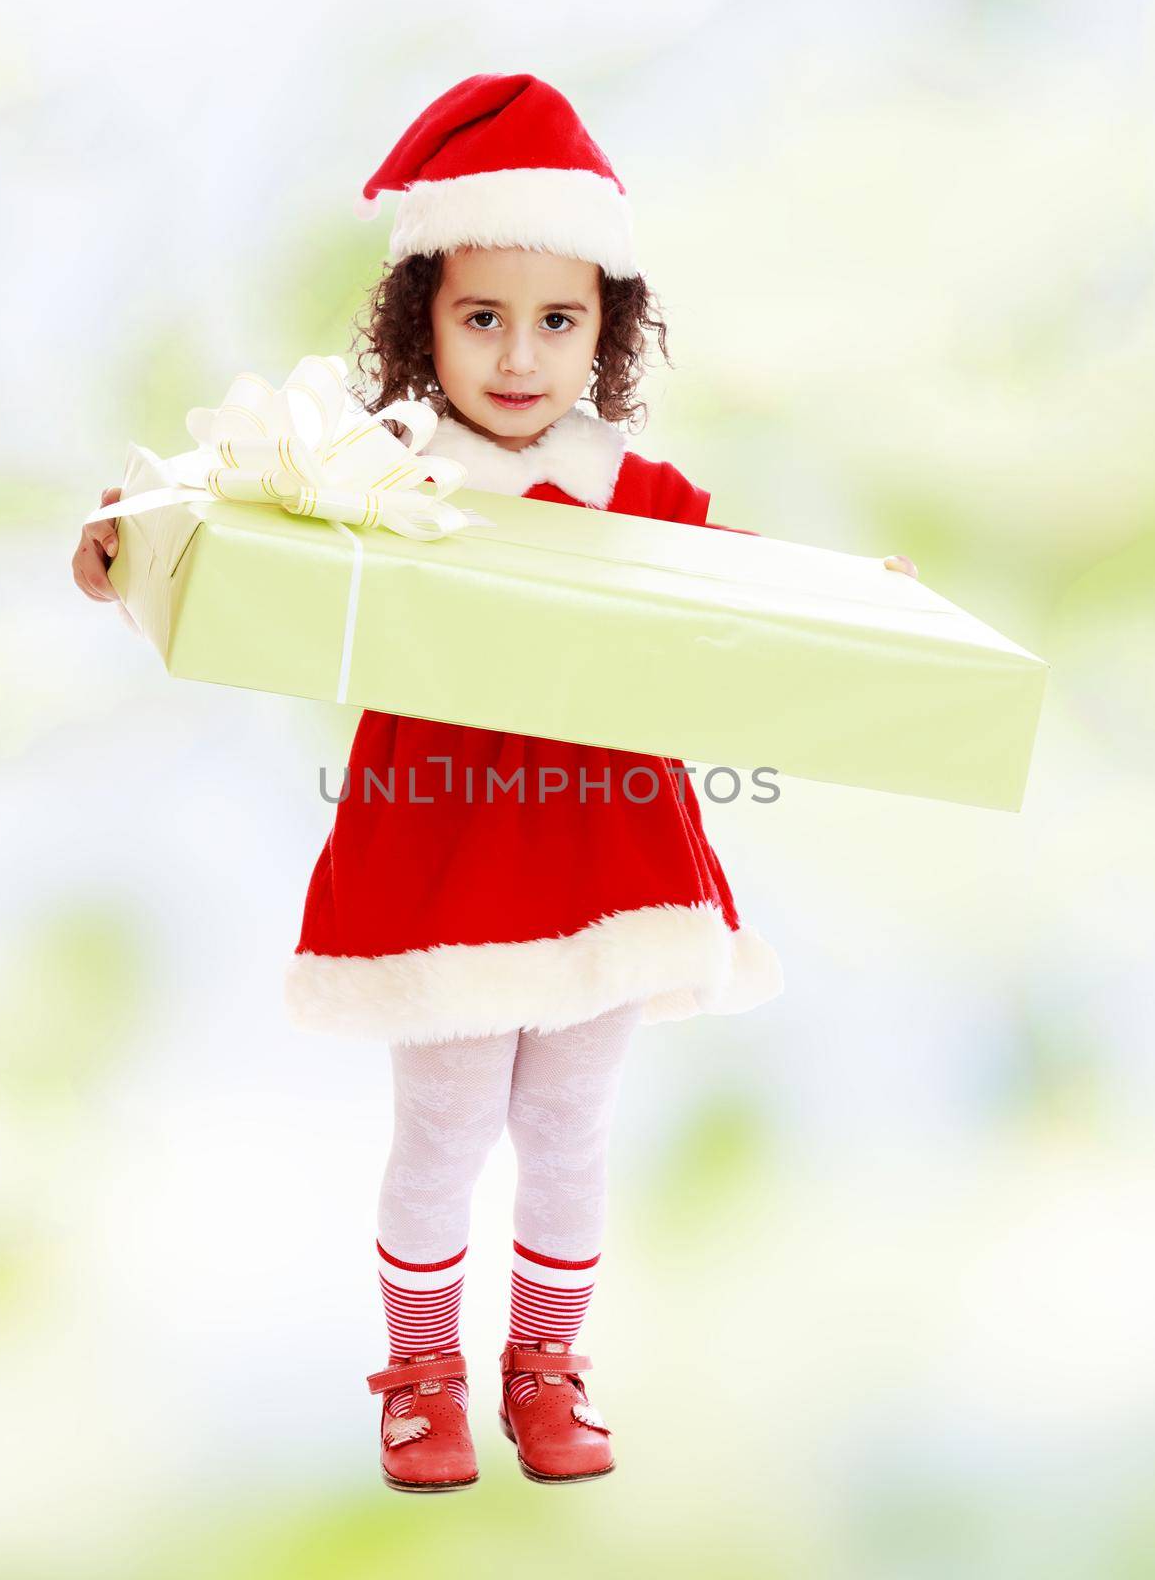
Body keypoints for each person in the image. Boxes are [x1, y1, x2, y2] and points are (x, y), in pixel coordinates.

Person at [72, 73, 919, 1494]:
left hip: (605, 860)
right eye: (481, 318)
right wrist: (113, 554)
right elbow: (215, 541)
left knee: (570, 1126)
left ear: (605, 330)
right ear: (422, 321)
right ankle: (420, 1373)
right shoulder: (369, 476)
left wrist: (848, 595)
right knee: (447, 1126)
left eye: (557, 321)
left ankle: (546, 1365)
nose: (519, 355)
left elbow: (737, 571)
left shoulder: (624, 486)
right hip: (447, 855)